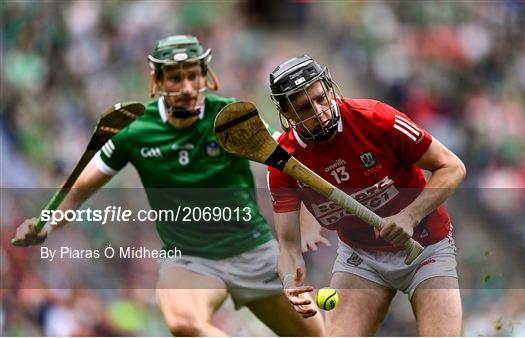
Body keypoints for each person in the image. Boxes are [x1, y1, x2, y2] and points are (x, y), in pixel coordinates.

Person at [13, 36, 325, 337]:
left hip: (252, 248)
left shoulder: (231, 116)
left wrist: (307, 222)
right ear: (158, 81)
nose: (187, 87)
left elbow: (289, 162)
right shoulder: (135, 130)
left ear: (206, 76)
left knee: (313, 334)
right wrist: (46, 223)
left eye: (193, 76)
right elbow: (80, 188)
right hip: (189, 258)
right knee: (182, 322)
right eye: (175, 79)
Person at [267, 55, 466, 336]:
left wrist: (410, 215)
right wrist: (290, 280)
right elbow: (288, 247)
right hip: (361, 259)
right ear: (287, 115)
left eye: (321, 98)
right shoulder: (284, 163)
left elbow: (452, 167)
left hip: (426, 248)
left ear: (329, 88)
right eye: (304, 108)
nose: (320, 110)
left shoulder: (376, 119)